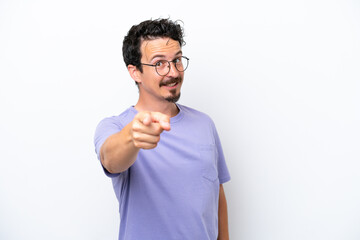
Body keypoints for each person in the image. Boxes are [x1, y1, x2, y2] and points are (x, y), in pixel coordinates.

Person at [94, 18, 231, 240]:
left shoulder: (205, 124)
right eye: (159, 63)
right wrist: (132, 136)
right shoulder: (115, 127)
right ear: (135, 72)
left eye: (177, 60)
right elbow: (110, 158)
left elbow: (217, 194)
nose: (173, 72)